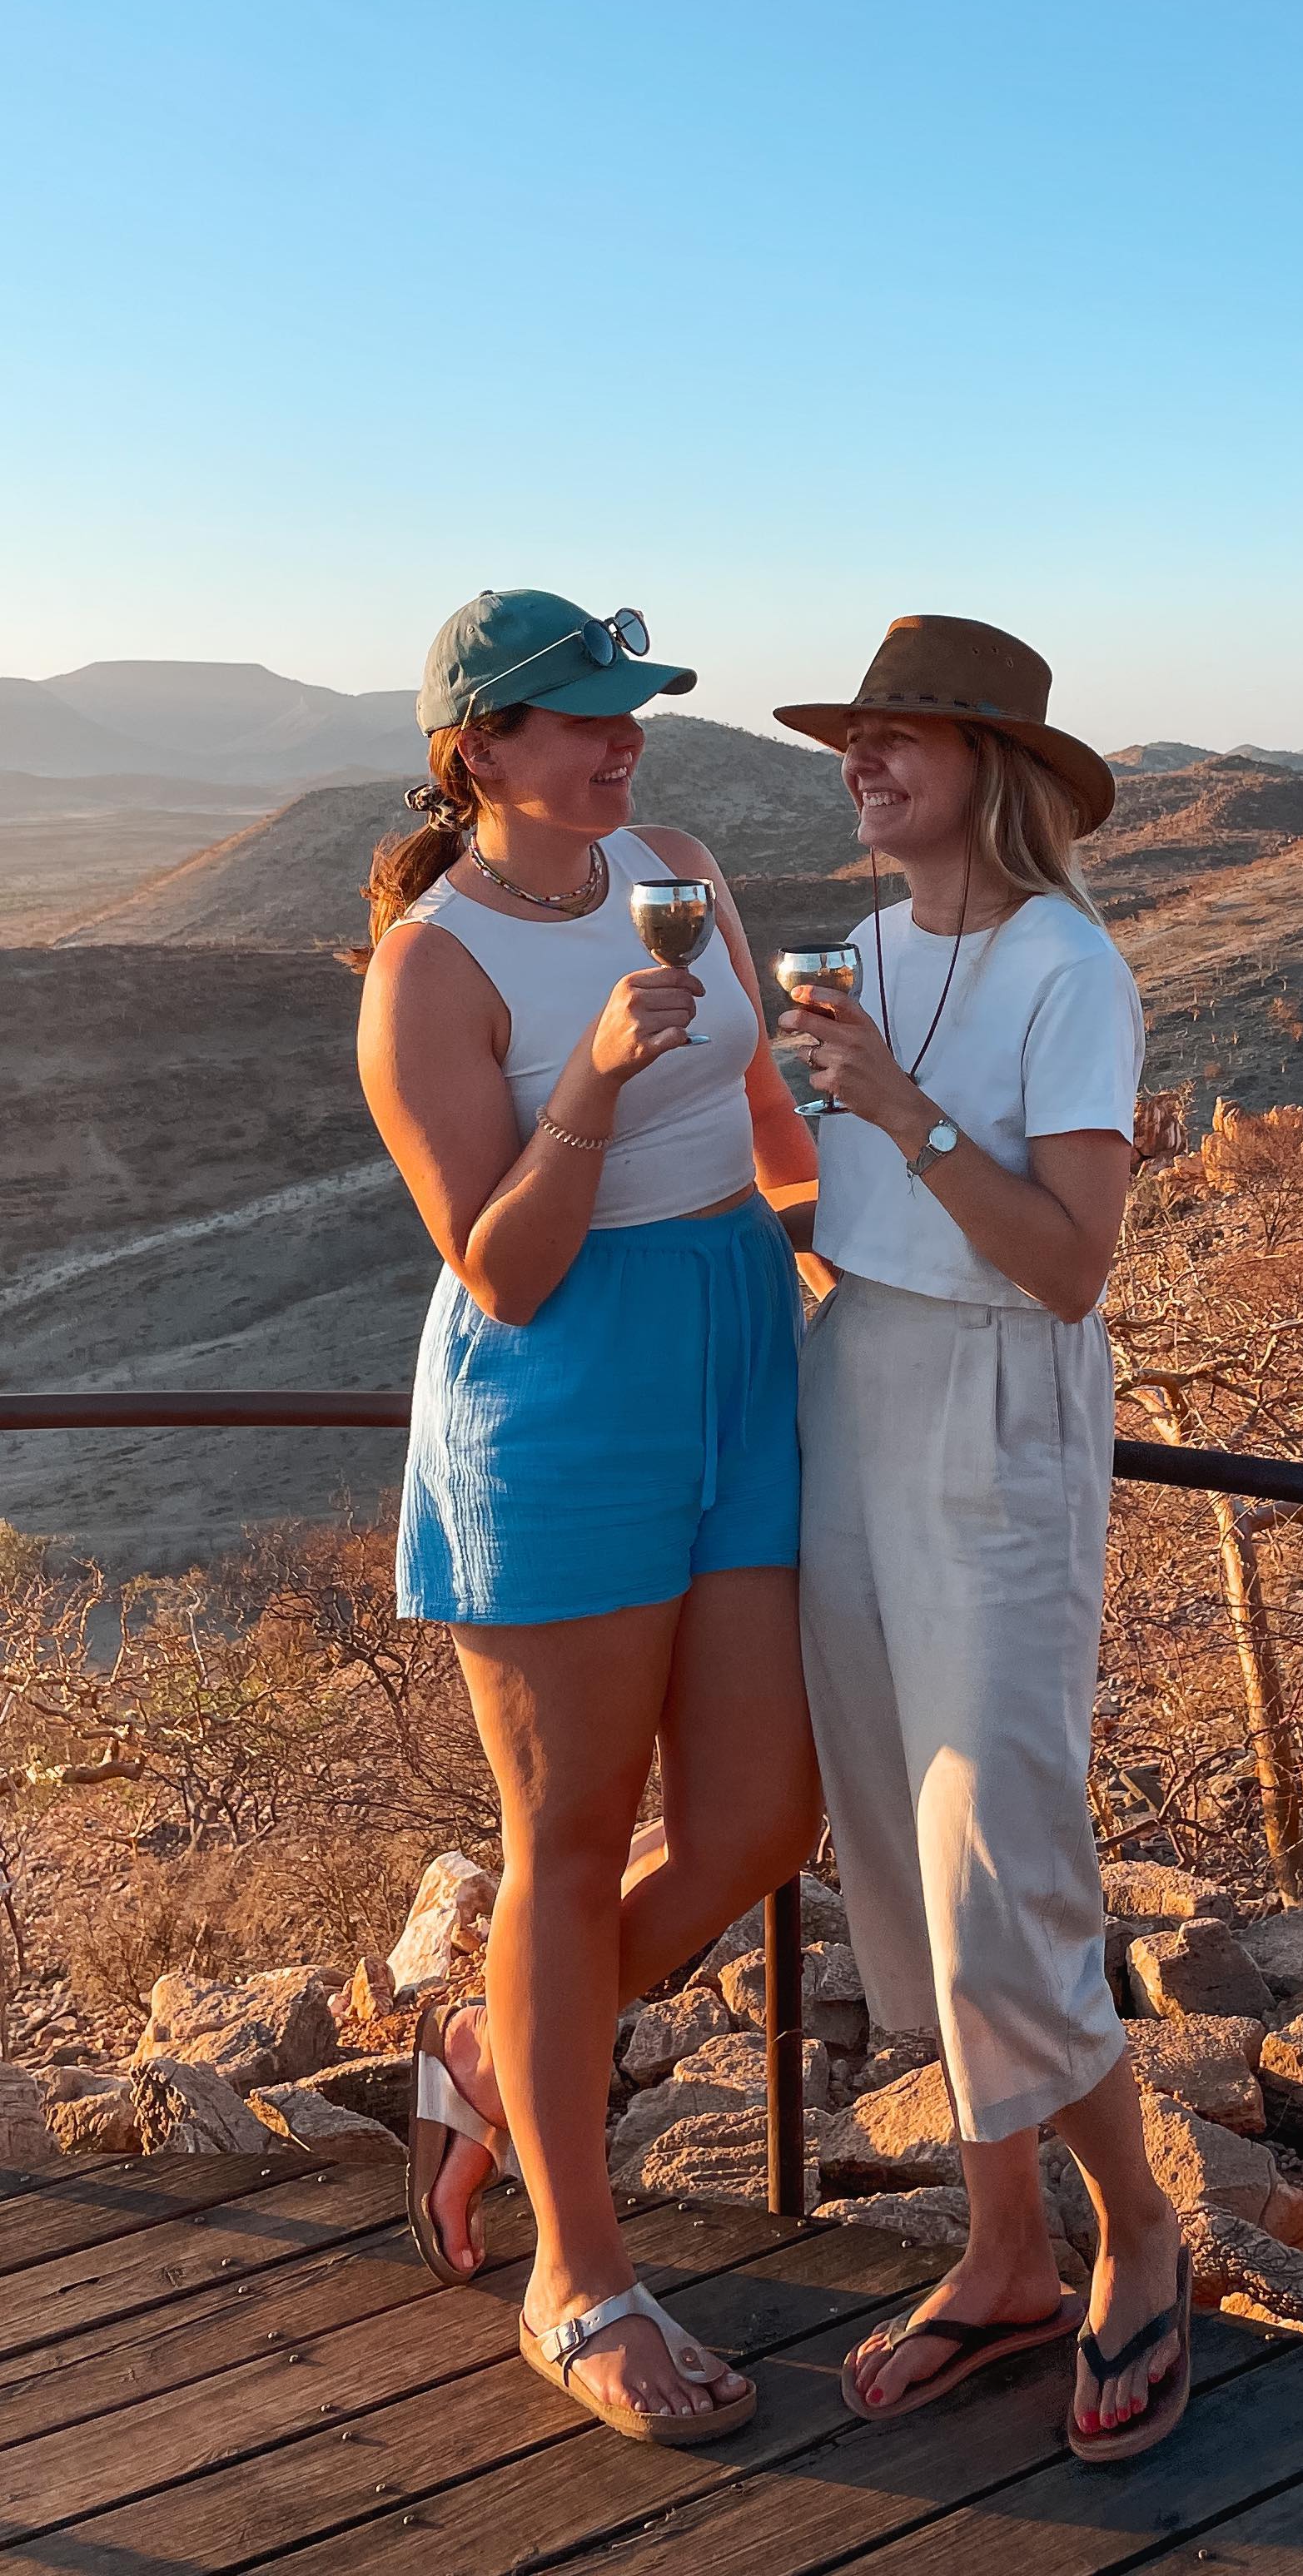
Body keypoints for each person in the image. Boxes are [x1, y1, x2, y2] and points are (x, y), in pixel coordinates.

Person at [356, 588, 822, 2445]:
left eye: (633, 710)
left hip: (741, 1339)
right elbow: (503, 1265)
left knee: (764, 1818)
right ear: (481, 748)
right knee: (563, 1843)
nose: (625, 741)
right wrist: (601, 1085)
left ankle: (490, 2048)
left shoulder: (677, 863)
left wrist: (867, 1234)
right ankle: (579, 2276)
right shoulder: (431, 971)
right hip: (562, 1391)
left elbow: (766, 1103)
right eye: (583, 717)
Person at [773, 614, 1191, 2464]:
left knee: (994, 1857)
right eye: (852, 740)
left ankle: (1143, 2230)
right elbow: (842, 1195)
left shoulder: (1068, 968)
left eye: (901, 738)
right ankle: (1005, 2251)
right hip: (853, 1372)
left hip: (999, 1400)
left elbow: (1071, 1266)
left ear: (993, 770)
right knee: (892, 1833)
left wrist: (899, 1108)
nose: (862, 763)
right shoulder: (864, 953)